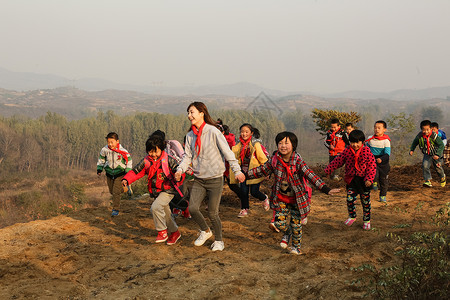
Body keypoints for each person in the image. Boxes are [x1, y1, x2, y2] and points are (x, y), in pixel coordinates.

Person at [246, 132, 340, 255]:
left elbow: (310, 175)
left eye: (286, 143)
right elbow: (262, 170)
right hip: (281, 199)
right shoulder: (274, 160)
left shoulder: (298, 162)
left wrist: (325, 188)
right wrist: (245, 174)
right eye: (280, 143)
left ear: (293, 145)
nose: (283, 146)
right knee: (279, 223)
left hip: (297, 200)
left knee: (296, 225)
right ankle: (287, 232)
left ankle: (296, 247)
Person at [174, 102, 245, 252]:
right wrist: (180, 169)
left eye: (192, 112)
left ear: (202, 113)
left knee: (213, 213)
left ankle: (219, 241)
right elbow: (187, 156)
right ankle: (205, 231)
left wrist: (237, 171)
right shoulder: (190, 136)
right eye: (188, 113)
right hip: (200, 179)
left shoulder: (213, 132)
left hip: (215, 179)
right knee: (193, 208)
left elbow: (227, 152)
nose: (189, 116)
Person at [122, 133, 184, 245]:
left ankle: (162, 232)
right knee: (166, 215)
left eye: (156, 151)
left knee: (155, 208)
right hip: (156, 192)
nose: (153, 154)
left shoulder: (169, 160)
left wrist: (178, 176)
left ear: (161, 149)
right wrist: (126, 179)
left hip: (168, 190)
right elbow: (136, 172)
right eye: (150, 151)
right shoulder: (146, 161)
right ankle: (175, 233)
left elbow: (178, 171)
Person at [325, 130, 376, 230]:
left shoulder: (366, 152)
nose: (355, 145)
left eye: (357, 142)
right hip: (352, 180)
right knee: (350, 199)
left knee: (365, 201)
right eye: (353, 142)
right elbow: (338, 161)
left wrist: (369, 179)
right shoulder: (347, 151)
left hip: (364, 181)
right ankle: (352, 216)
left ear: (362, 142)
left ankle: (366, 220)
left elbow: (372, 166)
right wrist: (328, 169)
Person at [230, 123, 269, 217]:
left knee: (254, 192)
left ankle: (264, 198)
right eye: (242, 132)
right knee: (243, 191)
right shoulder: (239, 145)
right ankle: (244, 209)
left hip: (255, 172)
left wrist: (267, 171)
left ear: (251, 133)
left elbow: (262, 158)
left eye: (246, 132)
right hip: (243, 172)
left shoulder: (256, 144)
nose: (244, 134)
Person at [97, 132, 132, 216]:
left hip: (120, 173)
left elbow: (129, 161)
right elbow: (101, 160)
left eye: (112, 142)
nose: (110, 144)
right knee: (112, 191)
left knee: (116, 192)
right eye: (108, 142)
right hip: (109, 173)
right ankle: (126, 188)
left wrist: (127, 171)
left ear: (117, 141)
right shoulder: (104, 150)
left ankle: (115, 209)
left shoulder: (123, 151)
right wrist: (99, 169)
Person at [409, 120, 446, 188]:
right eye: (424, 130)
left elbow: (441, 145)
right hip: (427, 154)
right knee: (425, 165)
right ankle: (427, 181)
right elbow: (415, 142)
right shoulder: (420, 136)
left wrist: (438, 154)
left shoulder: (434, 136)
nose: (426, 131)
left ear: (431, 129)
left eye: (427, 130)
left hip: (436, 154)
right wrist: (412, 150)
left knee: (438, 167)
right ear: (421, 129)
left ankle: (442, 177)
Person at [366, 120, 391, 203]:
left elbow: (387, 154)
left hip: (383, 163)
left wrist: (381, 159)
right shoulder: (370, 139)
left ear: (384, 129)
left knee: (384, 181)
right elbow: (366, 150)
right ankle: (374, 184)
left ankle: (383, 196)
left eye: (379, 128)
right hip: (373, 161)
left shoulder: (386, 141)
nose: (376, 130)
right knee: (373, 174)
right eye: (375, 128)